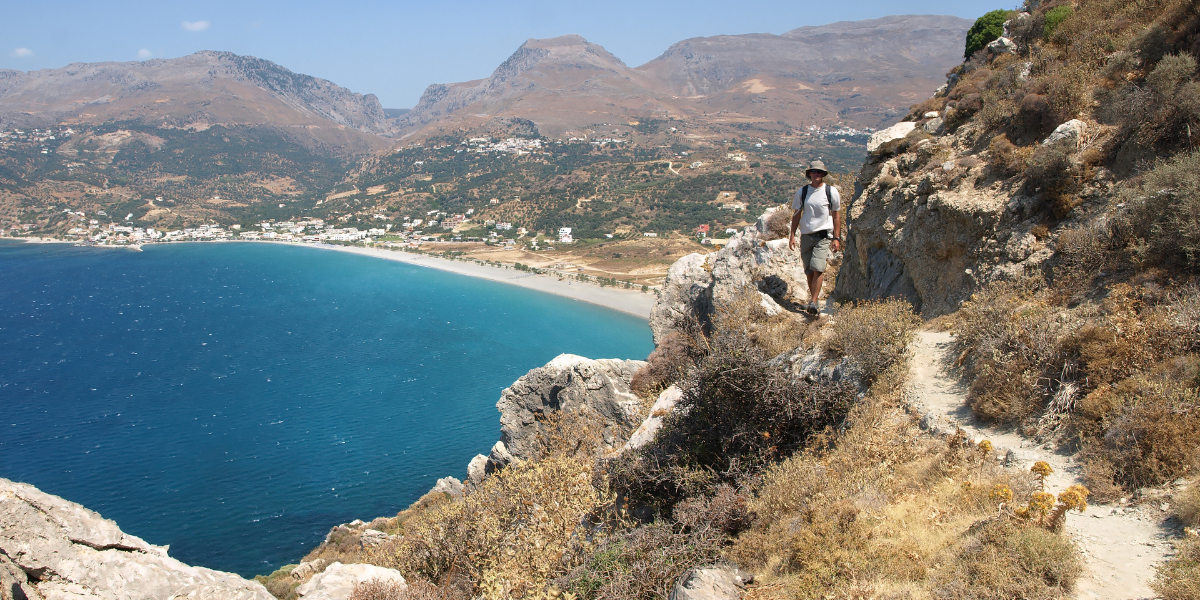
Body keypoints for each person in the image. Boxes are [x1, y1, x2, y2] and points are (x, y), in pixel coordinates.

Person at [787, 160, 841, 315]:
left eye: (819, 172)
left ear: (823, 174)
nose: (816, 174)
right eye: (814, 172)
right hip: (806, 235)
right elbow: (796, 216)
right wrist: (792, 235)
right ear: (809, 174)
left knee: (818, 268)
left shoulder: (830, 192)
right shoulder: (803, 192)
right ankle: (813, 299)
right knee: (809, 271)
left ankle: (814, 301)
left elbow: (836, 216)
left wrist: (836, 238)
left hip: (823, 236)